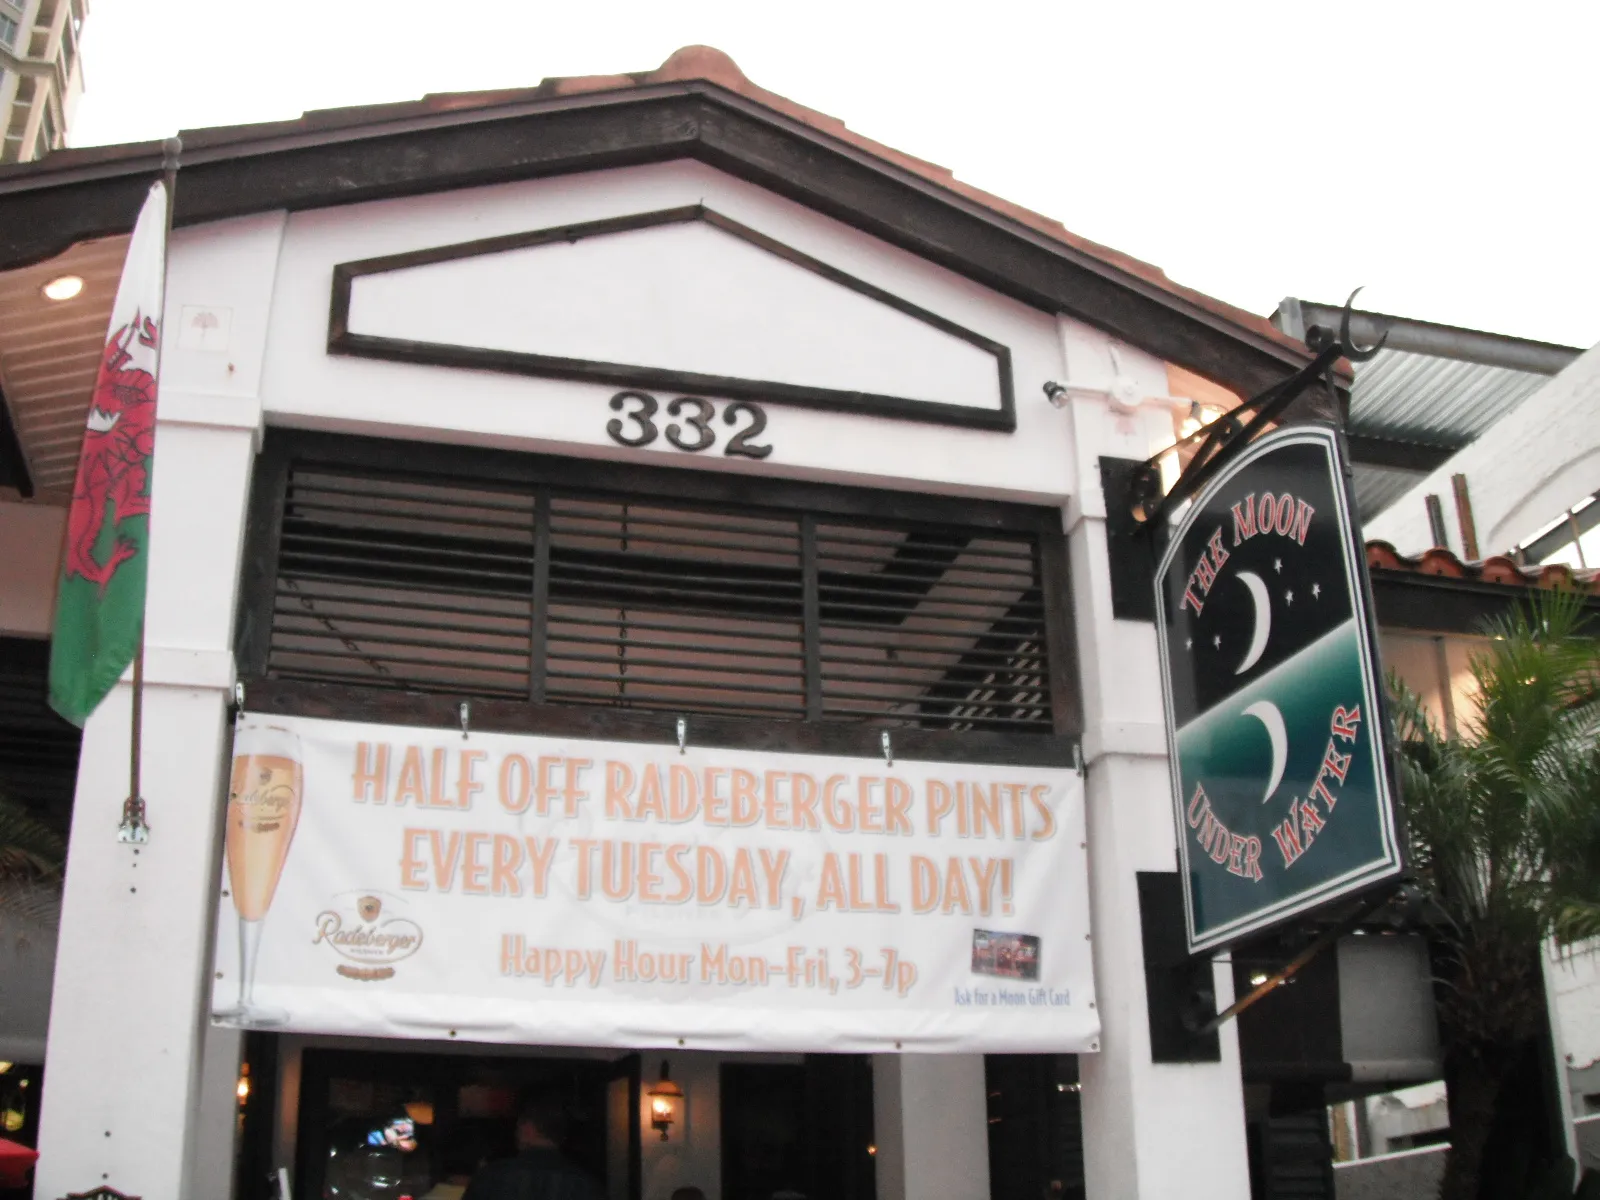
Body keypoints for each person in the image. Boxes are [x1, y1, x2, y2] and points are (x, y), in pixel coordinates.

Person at [462, 1087, 603, 1200]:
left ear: (528, 1128)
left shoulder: (492, 1177)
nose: (516, 1130)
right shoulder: (584, 1183)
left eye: (519, 1123)